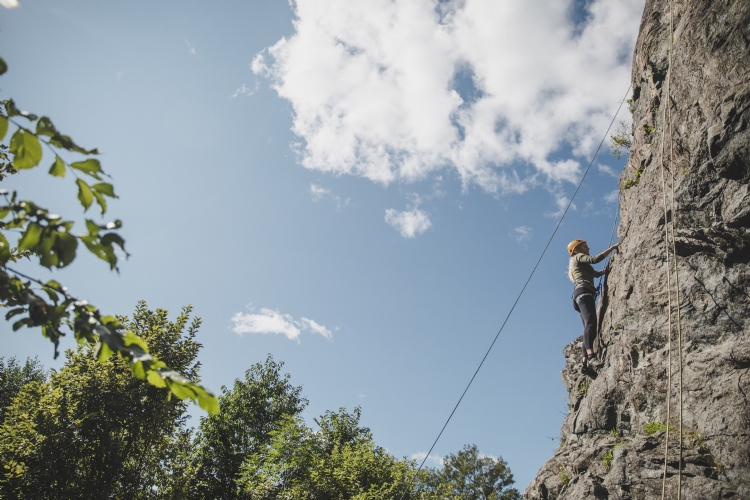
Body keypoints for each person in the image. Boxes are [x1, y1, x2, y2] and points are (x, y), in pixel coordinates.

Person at [567, 239, 619, 370]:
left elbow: (594, 273)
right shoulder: (578, 257)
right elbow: (595, 259)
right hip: (584, 293)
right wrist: (612, 248)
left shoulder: (579, 264)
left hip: (580, 294)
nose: (588, 249)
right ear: (577, 250)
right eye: (585, 247)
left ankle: (584, 363)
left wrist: (604, 272)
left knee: (588, 326)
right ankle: (591, 356)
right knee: (591, 323)